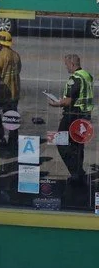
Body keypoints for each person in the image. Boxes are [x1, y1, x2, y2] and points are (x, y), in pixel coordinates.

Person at [49, 53, 94, 199]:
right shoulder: (87, 75)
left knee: (60, 141)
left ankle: (76, 172)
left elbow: (68, 101)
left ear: (72, 64)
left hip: (72, 116)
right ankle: (78, 176)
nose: (66, 67)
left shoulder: (74, 79)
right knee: (78, 145)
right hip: (85, 116)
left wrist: (55, 103)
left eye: (67, 65)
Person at [0, 30, 22, 153]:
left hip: (2, 93)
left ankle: (0, 138)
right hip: (14, 92)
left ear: (0, 43)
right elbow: (19, 71)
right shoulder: (16, 55)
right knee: (12, 117)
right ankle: (13, 141)